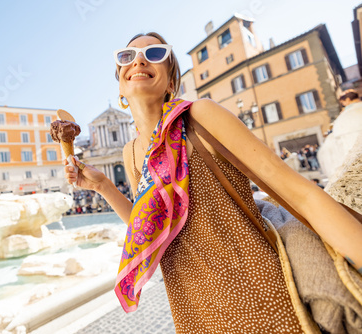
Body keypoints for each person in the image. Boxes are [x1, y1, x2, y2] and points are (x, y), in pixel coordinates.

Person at [63, 32, 362, 333]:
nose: (139, 59)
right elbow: (150, 230)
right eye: (127, 56)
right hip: (191, 305)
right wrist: (104, 187)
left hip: (258, 290)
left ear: (170, 82)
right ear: (121, 84)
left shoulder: (201, 116)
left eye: (154, 54)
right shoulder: (130, 153)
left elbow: (301, 194)